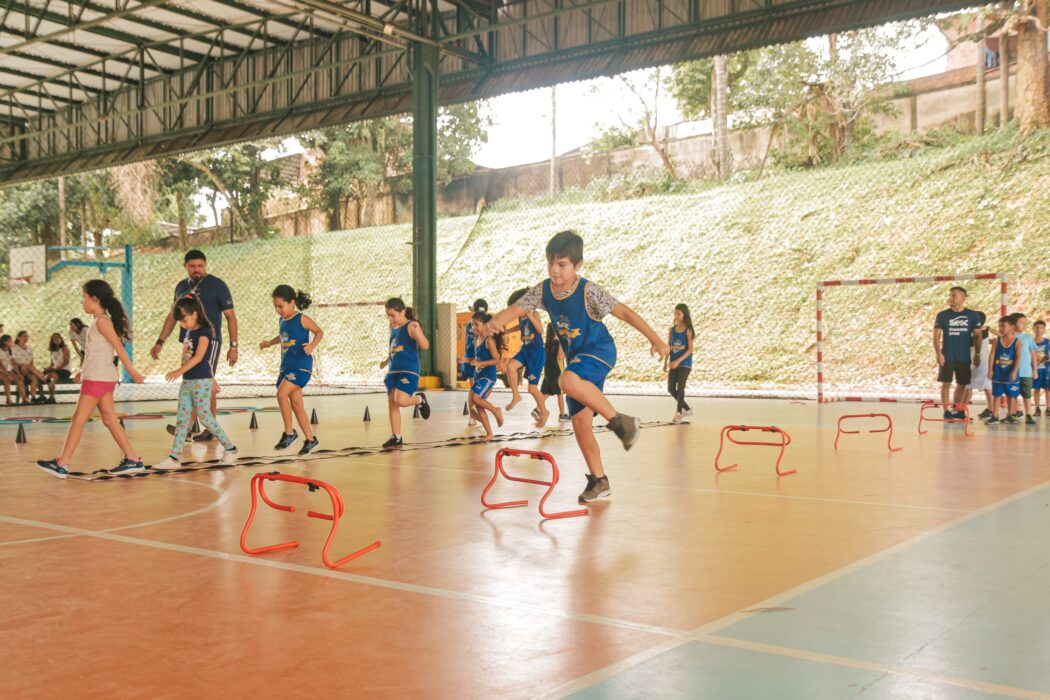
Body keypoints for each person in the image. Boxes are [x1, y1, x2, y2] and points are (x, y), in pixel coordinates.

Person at [487, 230, 669, 504]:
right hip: (576, 359)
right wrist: (492, 323)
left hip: (598, 351)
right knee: (580, 422)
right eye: (550, 263)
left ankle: (623, 423)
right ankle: (599, 480)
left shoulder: (589, 291)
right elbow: (516, 308)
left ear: (577, 265)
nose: (554, 271)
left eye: (562, 265)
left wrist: (655, 339)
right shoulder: (543, 290)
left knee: (566, 381)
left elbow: (625, 312)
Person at [36, 280, 146, 478]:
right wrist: (81, 371)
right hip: (100, 377)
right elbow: (96, 352)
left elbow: (119, 348)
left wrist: (133, 371)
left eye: (84, 297)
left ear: (95, 298)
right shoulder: (97, 322)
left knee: (78, 419)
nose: (82, 301)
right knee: (110, 419)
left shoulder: (102, 322)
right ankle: (133, 459)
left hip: (98, 379)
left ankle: (62, 464)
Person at [151, 250, 239, 442]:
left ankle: (208, 426)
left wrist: (234, 346)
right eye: (192, 266)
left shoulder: (217, 285)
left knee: (205, 381)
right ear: (185, 267)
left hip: (209, 341)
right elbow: (172, 316)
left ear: (205, 265)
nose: (196, 269)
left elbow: (230, 316)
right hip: (188, 340)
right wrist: (160, 342)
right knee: (192, 381)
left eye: (200, 266)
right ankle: (189, 427)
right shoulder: (181, 287)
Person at [153, 296, 239, 471]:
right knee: (183, 419)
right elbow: (191, 357)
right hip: (188, 381)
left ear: (195, 314)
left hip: (200, 381)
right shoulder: (188, 331)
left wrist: (181, 372)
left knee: (205, 416)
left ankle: (230, 448)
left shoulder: (205, 332)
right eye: (180, 322)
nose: (183, 325)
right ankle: (174, 457)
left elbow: (200, 357)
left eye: (184, 320)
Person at [259, 285, 323, 455]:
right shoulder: (282, 321)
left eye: (281, 306)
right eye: (276, 307)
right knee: (296, 404)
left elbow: (319, 332)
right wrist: (270, 343)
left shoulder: (301, 319)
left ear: (292, 302)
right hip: (287, 366)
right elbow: (283, 336)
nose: (278, 310)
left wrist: (311, 346)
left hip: (301, 366)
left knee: (281, 394)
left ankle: (289, 432)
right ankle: (310, 439)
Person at [381, 297, 431, 449]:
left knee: (401, 400)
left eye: (393, 315)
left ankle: (419, 400)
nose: (390, 319)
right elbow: (394, 348)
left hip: (408, 370)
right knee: (392, 402)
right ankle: (396, 436)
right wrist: (386, 361)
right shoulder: (393, 328)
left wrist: (418, 333)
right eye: (388, 315)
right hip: (393, 370)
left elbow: (425, 345)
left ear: (402, 312)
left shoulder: (411, 326)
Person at [933, 287, 983, 420]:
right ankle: (946, 410)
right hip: (947, 355)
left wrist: (977, 354)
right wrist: (939, 353)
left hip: (964, 356)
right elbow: (937, 336)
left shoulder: (972, 315)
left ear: (963, 298)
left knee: (962, 384)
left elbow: (978, 336)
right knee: (946, 383)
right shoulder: (943, 315)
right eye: (950, 295)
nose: (951, 298)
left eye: (954, 296)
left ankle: (958, 409)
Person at [504, 288, 549, 425]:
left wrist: (530, 317)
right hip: (525, 350)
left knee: (532, 388)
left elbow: (540, 330)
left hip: (536, 353)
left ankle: (544, 412)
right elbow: (519, 328)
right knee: (510, 366)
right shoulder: (520, 317)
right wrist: (506, 331)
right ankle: (516, 395)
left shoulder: (533, 313)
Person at [468, 311, 505, 441]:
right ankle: (489, 433)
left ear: (485, 325)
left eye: (476, 325)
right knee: (478, 406)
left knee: (476, 398)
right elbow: (477, 359)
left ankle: (496, 410)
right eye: (472, 325)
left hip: (488, 377)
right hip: (478, 376)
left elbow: (497, 359)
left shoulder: (489, 340)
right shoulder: (477, 339)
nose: (473, 328)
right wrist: (466, 360)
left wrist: (481, 363)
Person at [986, 315, 1021, 425]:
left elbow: (1018, 358)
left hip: (1010, 373)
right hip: (998, 371)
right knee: (996, 394)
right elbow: (992, 355)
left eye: (1003, 326)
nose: (1000, 328)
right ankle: (995, 416)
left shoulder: (1017, 342)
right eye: (999, 326)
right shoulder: (997, 341)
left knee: (1011, 395)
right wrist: (990, 370)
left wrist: (1015, 371)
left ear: (1011, 327)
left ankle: (1011, 416)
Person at [460, 299, 488, 428]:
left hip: (471, 358)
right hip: (477, 359)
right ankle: (475, 414)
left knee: (474, 389)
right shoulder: (484, 324)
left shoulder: (469, 324)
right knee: (478, 390)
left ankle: (473, 416)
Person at [665, 303, 695, 422]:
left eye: (678, 313)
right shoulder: (672, 330)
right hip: (673, 363)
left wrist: (678, 361)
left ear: (684, 314)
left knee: (680, 387)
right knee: (671, 388)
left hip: (684, 364)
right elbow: (669, 346)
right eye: (675, 313)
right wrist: (665, 362)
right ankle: (687, 409)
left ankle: (679, 413)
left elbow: (690, 350)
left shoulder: (688, 331)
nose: (676, 315)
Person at [1009, 313, 1039, 424]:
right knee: (1013, 394)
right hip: (1013, 372)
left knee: (1027, 395)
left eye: (1025, 323)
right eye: (1021, 322)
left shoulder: (1028, 337)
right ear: (1013, 323)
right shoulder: (1009, 337)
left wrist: (1035, 369)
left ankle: (1028, 415)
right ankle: (1015, 413)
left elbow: (1033, 354)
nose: (1024, 325)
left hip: (1026, 372)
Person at [538, 322, 569, 423]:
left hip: (548, 371)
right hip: (557, 371)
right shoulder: (558, 343)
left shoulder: (547, 344)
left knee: (548, 392)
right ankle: (562, 414)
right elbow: (560, 357)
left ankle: (537, 409)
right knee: (560, 394)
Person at [968, 324, 994, 420]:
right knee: (986, 386)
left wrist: (990, 329)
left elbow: (999, 337)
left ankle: (960, 410)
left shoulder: (981, 332)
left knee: (968, 386)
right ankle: (991, 410)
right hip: (976, 360)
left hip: (980, 361)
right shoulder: (975, 332)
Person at [11, 331, 45, 403]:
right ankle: (42, 377)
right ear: (18, 337)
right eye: (24, 336)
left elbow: (32, 361)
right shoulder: (13, 347)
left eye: (27, 336)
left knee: (34, 379)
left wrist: (30, 367)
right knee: (26, 367)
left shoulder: (29, 348)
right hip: (18, 369)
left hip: (29, 370)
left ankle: (33, 397)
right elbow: (13, 362)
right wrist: (24, 365)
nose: (26, 338)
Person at [42, 333, 72, 403]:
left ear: (61, 339)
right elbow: (52, 364)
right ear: (52, 340)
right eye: (55, 338)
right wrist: (48, 368)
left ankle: (52, 397)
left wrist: (56, 368)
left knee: (51, 376)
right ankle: (42, 396)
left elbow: (66, 362)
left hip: (64, 370)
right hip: (55, 370)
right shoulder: (52, 351)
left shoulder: (64, 348)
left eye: (59, 338)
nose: (57, 339)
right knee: (41, 375)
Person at [0, 334, 27, 405]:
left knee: (19, 379)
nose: (12, 342)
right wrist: (6, 373)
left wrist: (18, 373)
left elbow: (14, 363)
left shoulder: (10, 350)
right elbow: (1, 365)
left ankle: (24, 398)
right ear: (4, 342)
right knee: (7, 379)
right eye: (10, 341)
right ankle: (8, 399)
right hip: (1, 371)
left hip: (8, 370)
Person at [1033, 320, 1050, 417]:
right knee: (1036, 389)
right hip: (1036, 370)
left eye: (1041, 328)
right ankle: (1037, 408)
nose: (1039, 330)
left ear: (1044, 330)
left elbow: (1048, 356)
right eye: (1037, 328)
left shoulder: (1047, 342)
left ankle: (1048, 408)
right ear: (1033, 329)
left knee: (1048, 389)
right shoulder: (1031, 342)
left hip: (1046, 370)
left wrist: (1040, 360)